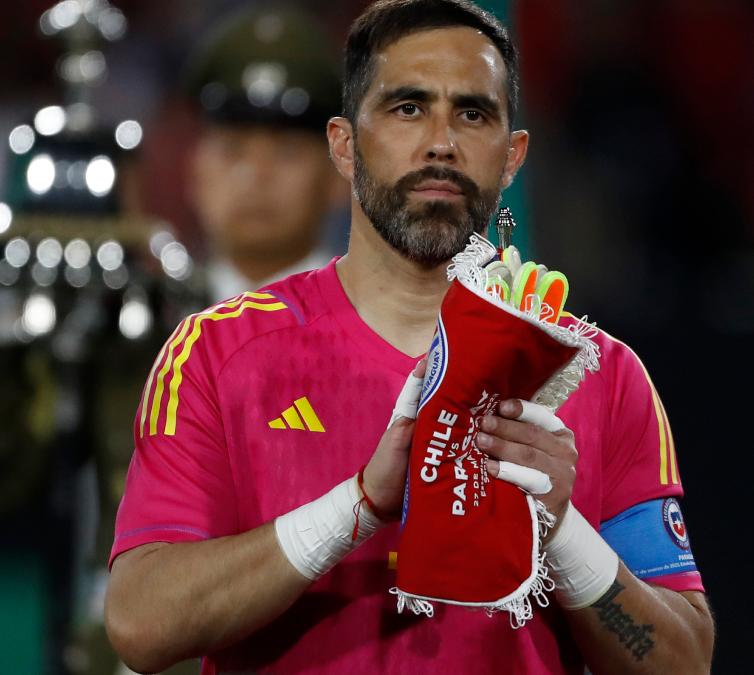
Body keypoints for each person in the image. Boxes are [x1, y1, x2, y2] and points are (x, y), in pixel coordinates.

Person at [103, 2, 714, 674]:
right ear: (343, 145)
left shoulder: (600, 373)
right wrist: (356, 507)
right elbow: (140, 621)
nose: (441, 141)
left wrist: (564, 531)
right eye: (406, 108)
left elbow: (682, 661)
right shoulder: (216, 353)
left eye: (473, 113)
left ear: (513, 158)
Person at [183, 3, 350, 303]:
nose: (256, 174)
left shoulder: (377, 328)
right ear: (194, 173)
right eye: (232, 149)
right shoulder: (150, 326)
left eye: (287, 151)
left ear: (337, 176)